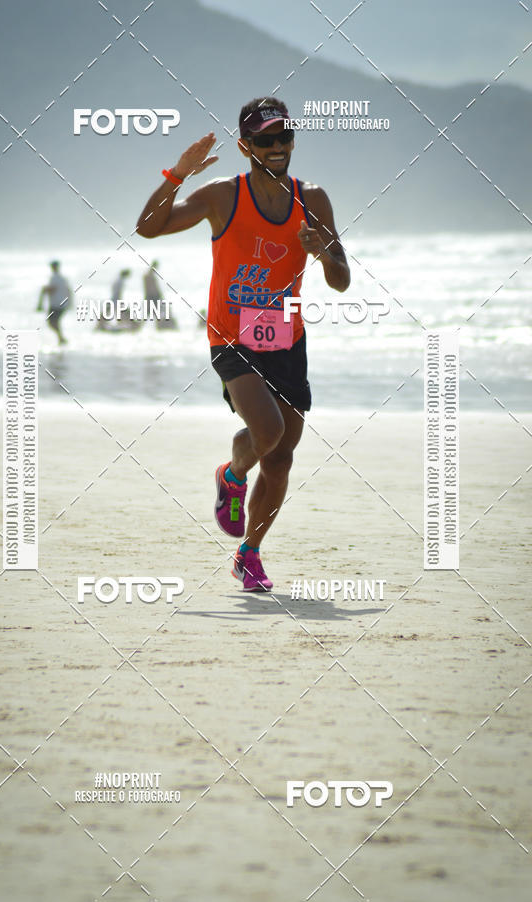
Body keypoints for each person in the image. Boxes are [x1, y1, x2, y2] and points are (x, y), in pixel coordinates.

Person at [137, 97, 350, 592]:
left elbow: (340, 280)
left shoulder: (312, 199)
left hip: (286, 336)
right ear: (245, 146)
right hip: (231, 335)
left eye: (284, 137)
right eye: (266, 140)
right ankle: (234, 471)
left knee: (279, 461)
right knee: (269, 431)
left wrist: (322, 256)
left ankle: (248, 553)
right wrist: (177, 175)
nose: (278, 147)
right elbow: (147, 228)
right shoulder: (221, 196)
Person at [37, 260, 72, 345]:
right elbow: (68, 290)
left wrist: (44, 290)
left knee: (52, 322)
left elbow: (53, 289)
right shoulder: (62, 278)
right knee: (55, 322)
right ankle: (61, 338)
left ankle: (61, 338)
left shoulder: (55, 278)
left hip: (56, 304)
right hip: (61, 303)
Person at [143, 260, 178, 330]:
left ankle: (161, 327)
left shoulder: (149, 275)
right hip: (152, 297)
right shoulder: (148, 276)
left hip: (154, 297)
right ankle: (162, 327)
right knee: (157, 313)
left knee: (158, 313)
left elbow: (154, 288)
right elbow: (151, 288)